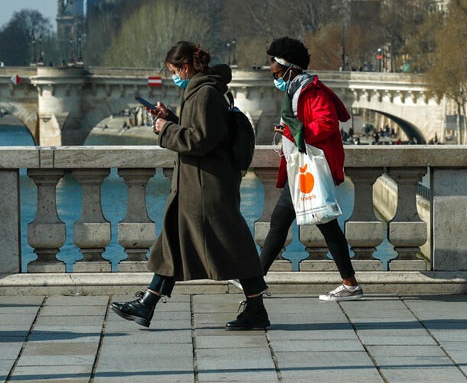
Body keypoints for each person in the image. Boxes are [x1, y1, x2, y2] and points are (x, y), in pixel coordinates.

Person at [111, 41, 270, 330]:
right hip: (198, 183)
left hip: (206, 186)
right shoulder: (202, 90)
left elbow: (200, 140)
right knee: (174, 240)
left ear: (186, 67)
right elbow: (204, 131)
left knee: (233, 245)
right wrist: (171, 119)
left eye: (174, 71)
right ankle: (147, 303)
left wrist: (165, 129)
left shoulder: (205, 93)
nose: (174, 77)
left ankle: (257, 308)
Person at [260, 37, 363, 301]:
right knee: (282, 223)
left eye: (276, 67)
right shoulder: (295, 89)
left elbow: (327, 124)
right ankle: (256, 280)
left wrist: (293, 132)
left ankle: (256, 281)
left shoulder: (312, 91)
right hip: (301, 169)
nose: (273, 71)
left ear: (289, 67)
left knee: (319, 225)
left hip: (310, 170)